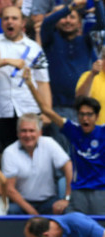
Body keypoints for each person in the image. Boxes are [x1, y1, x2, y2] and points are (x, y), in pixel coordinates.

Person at [24, 69, 105, 215]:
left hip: (101, 191)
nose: (85, 119)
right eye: (81, 115)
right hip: (79, 191)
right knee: (76, 229)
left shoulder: (103, 132)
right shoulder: (73, 130)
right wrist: (30, 84)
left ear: (96, 116)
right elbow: (46, 110)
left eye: (89, 115)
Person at [0, 6, 52, 153]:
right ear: (1, 22)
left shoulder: (35, 48)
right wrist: (5, 61)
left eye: (14, 18)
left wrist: (47, 112)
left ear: (23, 23)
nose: (10, 22)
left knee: (31, 155)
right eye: (6, 18)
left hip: (28, 110)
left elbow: (43, 82)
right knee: (1, 156)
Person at [45, 0, 104, 151]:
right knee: (62, 155)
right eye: (65, 18)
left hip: (84, 111)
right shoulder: (51, 40)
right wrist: (70, 7)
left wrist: (97, 2)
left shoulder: (86, 40)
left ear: (80, 24)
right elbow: (47, 23)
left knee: (82, 153)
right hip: (58, 108)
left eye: (72, 18)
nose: (67, 21)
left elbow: (102, 23)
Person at [0, 112, 72, 215]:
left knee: (66, 209)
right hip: (22, 204)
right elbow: (10, 189)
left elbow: (69, 166)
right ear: (17, 133)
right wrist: (33, 213)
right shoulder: (10, 152)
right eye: (23, 131)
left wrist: (67, 198)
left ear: (40, 132)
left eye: (31, 131)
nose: (28, 135)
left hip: (48, 201)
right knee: (11, 210)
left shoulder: (49, 143)